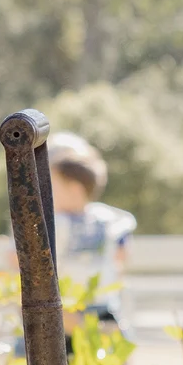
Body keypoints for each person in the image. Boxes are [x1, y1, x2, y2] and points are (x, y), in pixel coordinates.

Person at [48, 131, 135, 334]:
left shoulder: (56, 222)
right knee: (114, 347)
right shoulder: (109, 217)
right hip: (99, 304)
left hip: (69, 307)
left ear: (75, 190)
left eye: (53, 188)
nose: (49, 194)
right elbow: (123, 250)